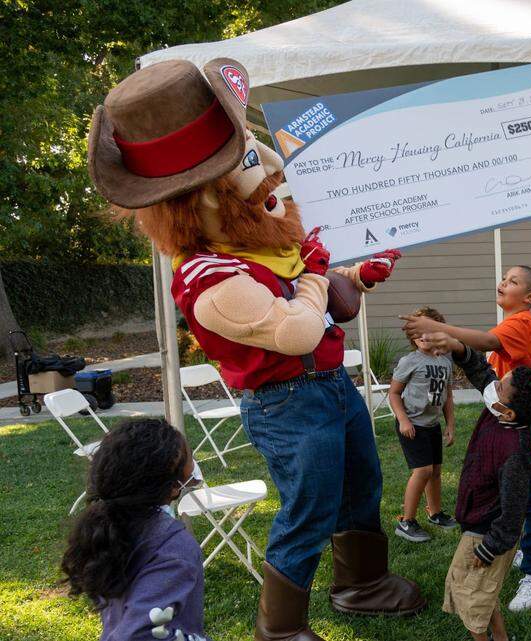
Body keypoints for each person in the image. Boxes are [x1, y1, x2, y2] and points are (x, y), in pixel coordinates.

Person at [90, 58, 424, 641]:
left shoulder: (259, 248)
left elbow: (316, 299)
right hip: (286, 401)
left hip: (327, 386)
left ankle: (361, 584)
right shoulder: (210, 276)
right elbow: (296, 328)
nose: (268, 178)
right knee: (308, 509)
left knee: (361, 484)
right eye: (241, 168)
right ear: (195, 201)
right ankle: (281, 627)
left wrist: (357, 276)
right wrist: (319, 271)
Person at [401, 264, 531, 613]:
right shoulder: (501, 389)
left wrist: (436, 327)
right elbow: (481, 370)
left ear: (530, 297)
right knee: (513, 499)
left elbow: (487, 344)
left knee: (527, 502)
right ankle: (518, 546)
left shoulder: (523, 323)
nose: (504, 282)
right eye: (505, 277)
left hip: (530, 436)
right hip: (516, 420)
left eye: (513, 281)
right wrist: (455, 346)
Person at [422, 332, 531, 641]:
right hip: (476, 522)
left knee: (472, 601)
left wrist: (490, 546)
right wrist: (456, 347)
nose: (493, 385)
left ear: (509, 412)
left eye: (499, 386)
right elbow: (482, 371)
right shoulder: (503, 411)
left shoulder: (514, 455)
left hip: (487, 534)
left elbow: (514, 511)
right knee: (481, 593)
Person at [61, 419, 209, 641]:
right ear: (173, 486)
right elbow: (139, 635)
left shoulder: (113, 526)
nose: (193, 460)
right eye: (189, 456)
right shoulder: (174, 548)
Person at [390, 306, 458, 543]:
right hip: (412, 423)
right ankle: (406, 521)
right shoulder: (410, 361)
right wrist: (403, 420)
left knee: (436, 472)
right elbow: (394, 394)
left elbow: (448, 395)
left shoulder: (445, 362)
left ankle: (435, 513)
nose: (420, 336)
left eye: (426, 331)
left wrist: (450, 424)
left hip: (432, 423)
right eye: (415, 332)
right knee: (423, 471)